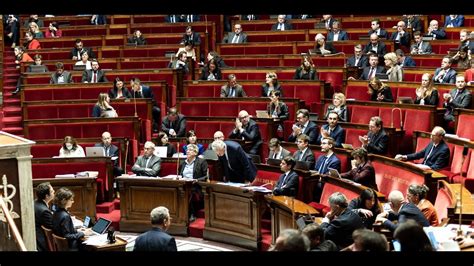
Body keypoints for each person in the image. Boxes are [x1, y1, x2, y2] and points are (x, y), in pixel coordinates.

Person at [178, 144, 208, 221]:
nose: (187, 151)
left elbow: (206, 177)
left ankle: (191, 213)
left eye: (190, 150)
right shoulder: (182, 163)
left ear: (195, 152)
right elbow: (179, 175)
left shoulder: (201, 162)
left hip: (196, 186)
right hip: (183, 184)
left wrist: (197, 180)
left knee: (189, 191)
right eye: (187, 150)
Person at [35, 182, 55, 251]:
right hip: (42, 243)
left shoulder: (36, 202)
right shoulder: (44, 211)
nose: (54, 192)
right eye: (52, 191)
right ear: (47, 196)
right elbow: (53, 227)